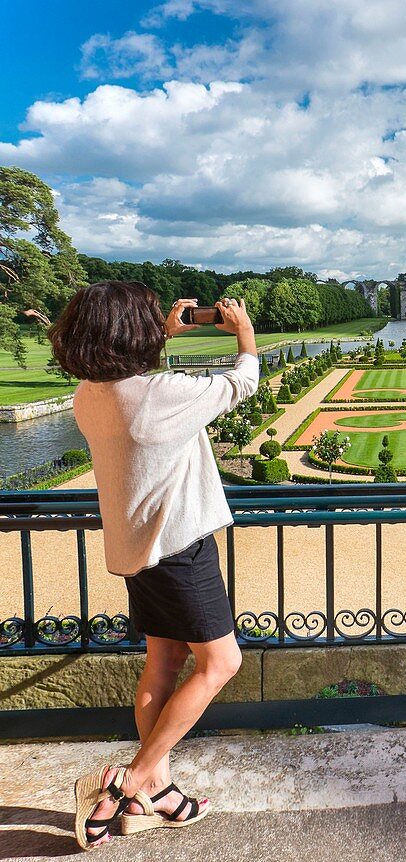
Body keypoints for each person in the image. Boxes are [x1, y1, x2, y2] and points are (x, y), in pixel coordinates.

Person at [48, 281, 259, 849]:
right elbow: (243, 381)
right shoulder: (163, 394)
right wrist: (243, 332)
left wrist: (161, 335)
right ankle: (129, 781)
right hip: (181, 550)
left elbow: (130, 381)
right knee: (222, 664)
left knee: (162, 665)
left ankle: (156, 793)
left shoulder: (88, 395)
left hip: (136, 554)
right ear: (135, 332)